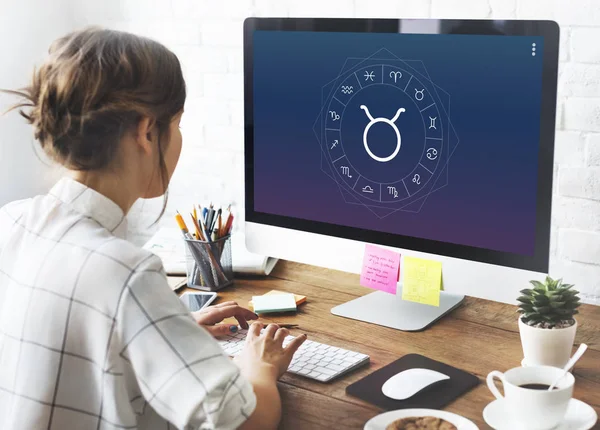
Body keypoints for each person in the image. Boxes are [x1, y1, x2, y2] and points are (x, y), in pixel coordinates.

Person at [0, 27, 306, 430]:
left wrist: (165, 330)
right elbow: (246, 422)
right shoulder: (125, 272)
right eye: (176, 124)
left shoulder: (11, 221)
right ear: (147, 132)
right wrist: (259, 366)